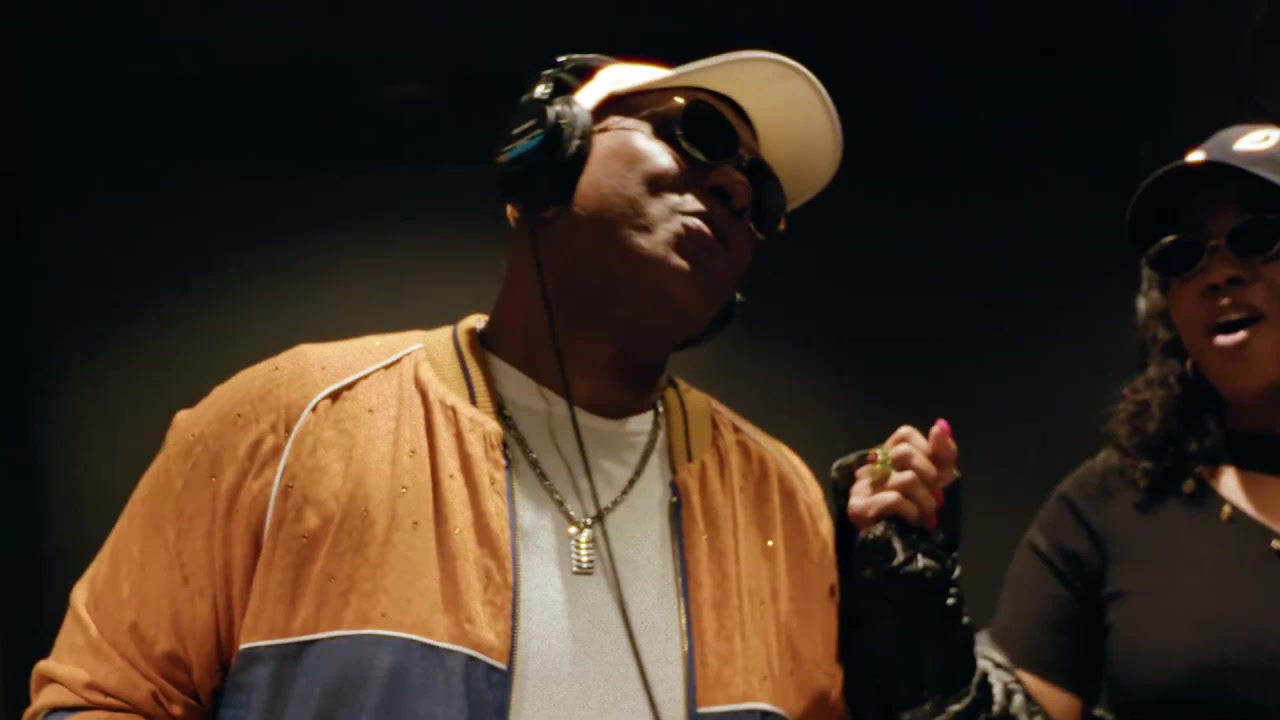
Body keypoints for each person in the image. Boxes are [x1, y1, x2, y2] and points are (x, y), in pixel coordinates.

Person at [26, 49, 961, 720]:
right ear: (543, 157)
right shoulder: (288, 418)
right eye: (699, 134)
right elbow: (100, 698)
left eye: (761, 195)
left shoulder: (782, 497)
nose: (734, 187)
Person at [835, 122, 1280, 720]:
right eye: (1184, 255)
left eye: (1260, 237)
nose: (1219, 273)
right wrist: (909, 611)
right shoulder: (1113, 501)